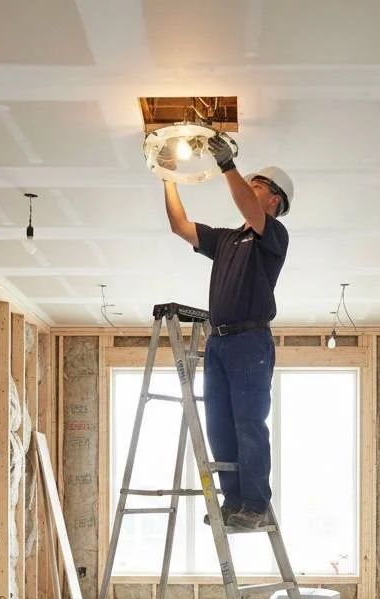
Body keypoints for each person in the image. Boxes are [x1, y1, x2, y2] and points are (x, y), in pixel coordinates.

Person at [162, 132, 293, 530]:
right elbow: (180, 226)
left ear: (275, 201)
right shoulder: (226, 240)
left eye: (259, 186)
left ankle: (255, 503)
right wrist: (166, 173)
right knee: (219, 424)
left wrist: (227, 165)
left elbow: (249, 209)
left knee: (249, 423)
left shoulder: (272, 235)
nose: (250, 189)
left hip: (250, 341)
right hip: (217, 342)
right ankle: (233, 501)